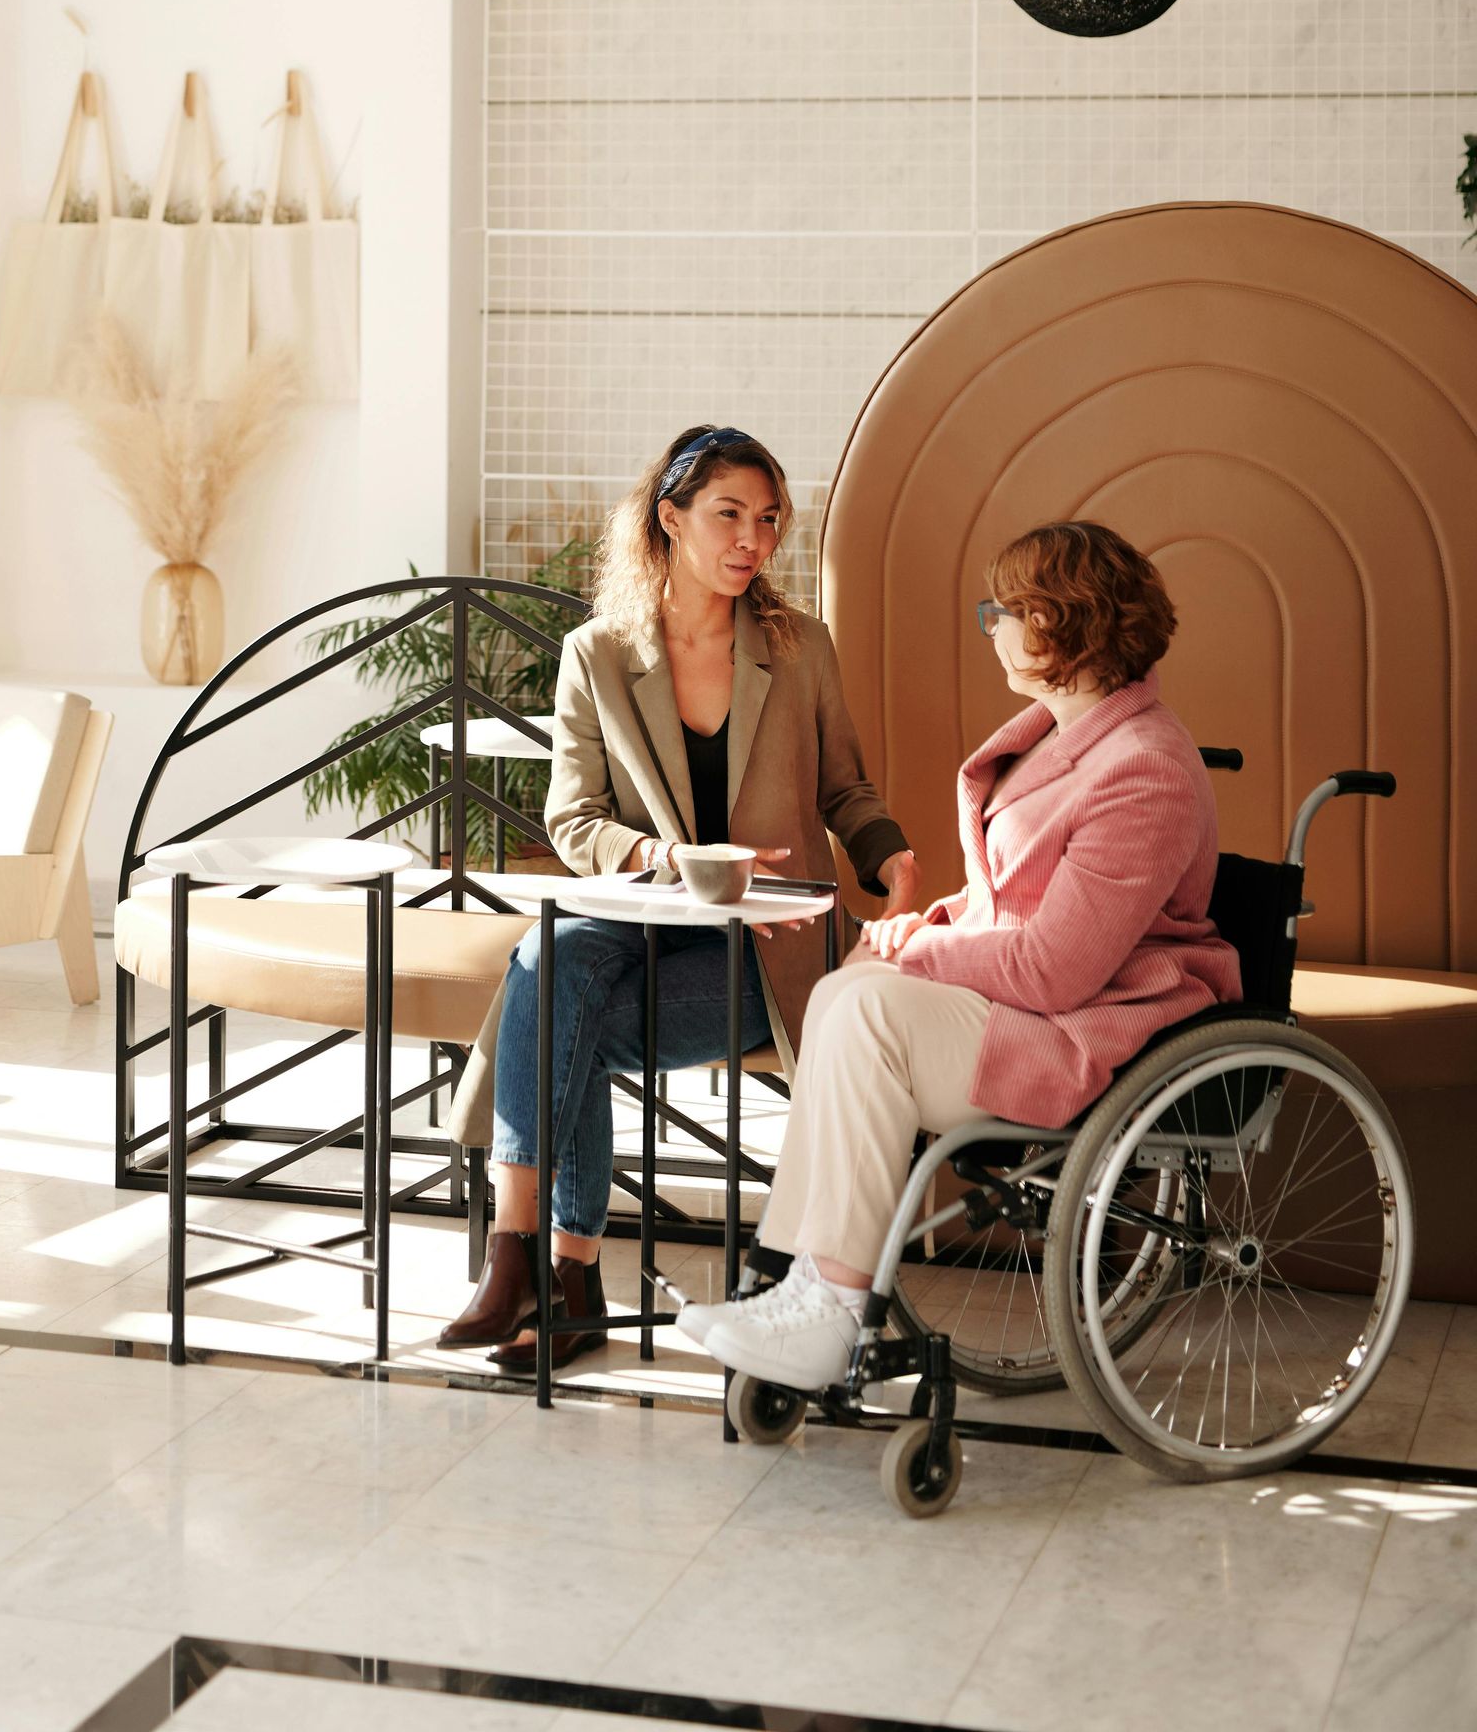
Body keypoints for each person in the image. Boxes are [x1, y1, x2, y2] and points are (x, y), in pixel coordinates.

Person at [687, 517, 1241, 1392]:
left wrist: (928, 948)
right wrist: (925, 931)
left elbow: (1059, 968)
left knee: (867, 1009)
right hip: (1034, 999)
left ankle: (831, 1306)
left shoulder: (1145, 768)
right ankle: (800, 1281)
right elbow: (1009, 902)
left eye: (1008, 610)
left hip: (1098, 1029)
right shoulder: (1063, 737)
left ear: (1068, 619)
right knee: (844, 991)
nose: (995, 627)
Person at [441, 423, 917, 1368]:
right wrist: (662, 855)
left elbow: (845, 791)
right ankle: (541, 1270)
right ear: (670, 517)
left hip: (767, 944)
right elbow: (573, 822)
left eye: (769, 520)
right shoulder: (599, 654)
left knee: (553, 1009)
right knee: (554, 956)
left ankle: (537, 1269)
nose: (753, 539)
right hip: (640, 924)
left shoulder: (800, 646)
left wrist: (891, 858)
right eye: (729, 515)